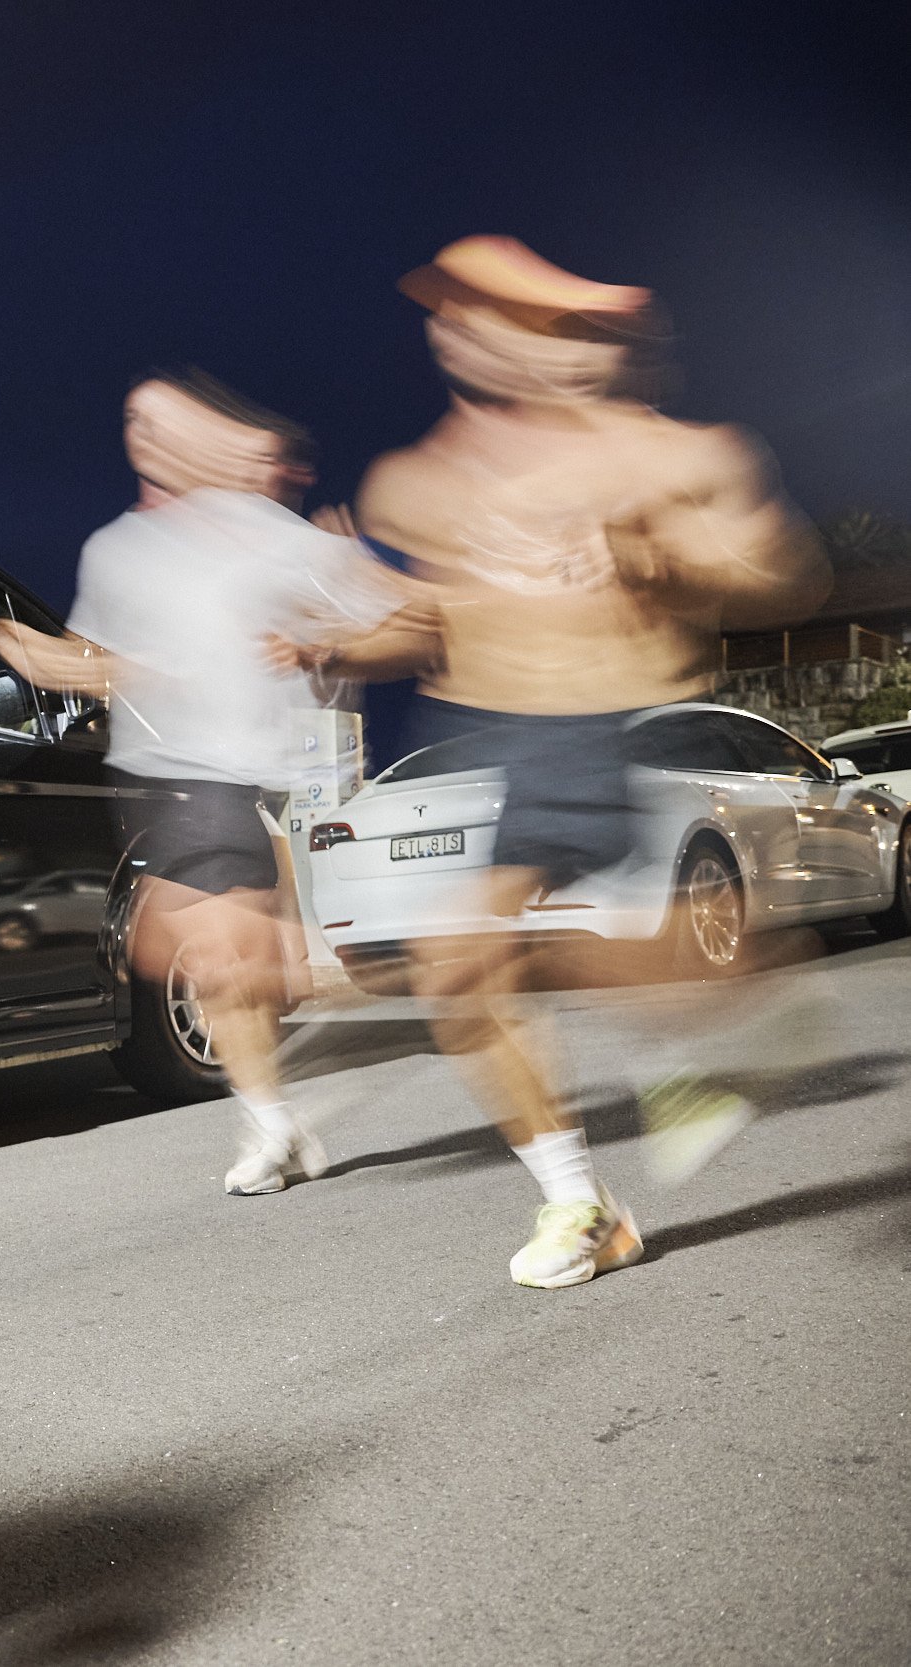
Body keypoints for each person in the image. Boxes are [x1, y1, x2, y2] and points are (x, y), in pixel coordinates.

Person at [276, 236, 825, 1288]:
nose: (472, 332)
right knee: (492, 970)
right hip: (494, 736)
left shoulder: (665, 453)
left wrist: (664, 552)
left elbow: (780, 575)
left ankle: (587, 1191)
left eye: (511, 316)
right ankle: (712, 1034)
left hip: (606, 718)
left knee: (456, 959)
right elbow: (429, 624)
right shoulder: (419, 481)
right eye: (455, 313)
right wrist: (339, 640)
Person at [0, 370, 401, 1196]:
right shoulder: (113, 549)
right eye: (134, 421)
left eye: (164, 421)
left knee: (214, 956)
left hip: (235, 776)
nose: (145, 435)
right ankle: (270, 1118)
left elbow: (386, 615)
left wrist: (328, 645)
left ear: (203, 436)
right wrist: (48, 661)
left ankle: (271, 1119)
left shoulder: (271, 536)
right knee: (212, 964)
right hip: (153, 781)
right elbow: (99, 659)